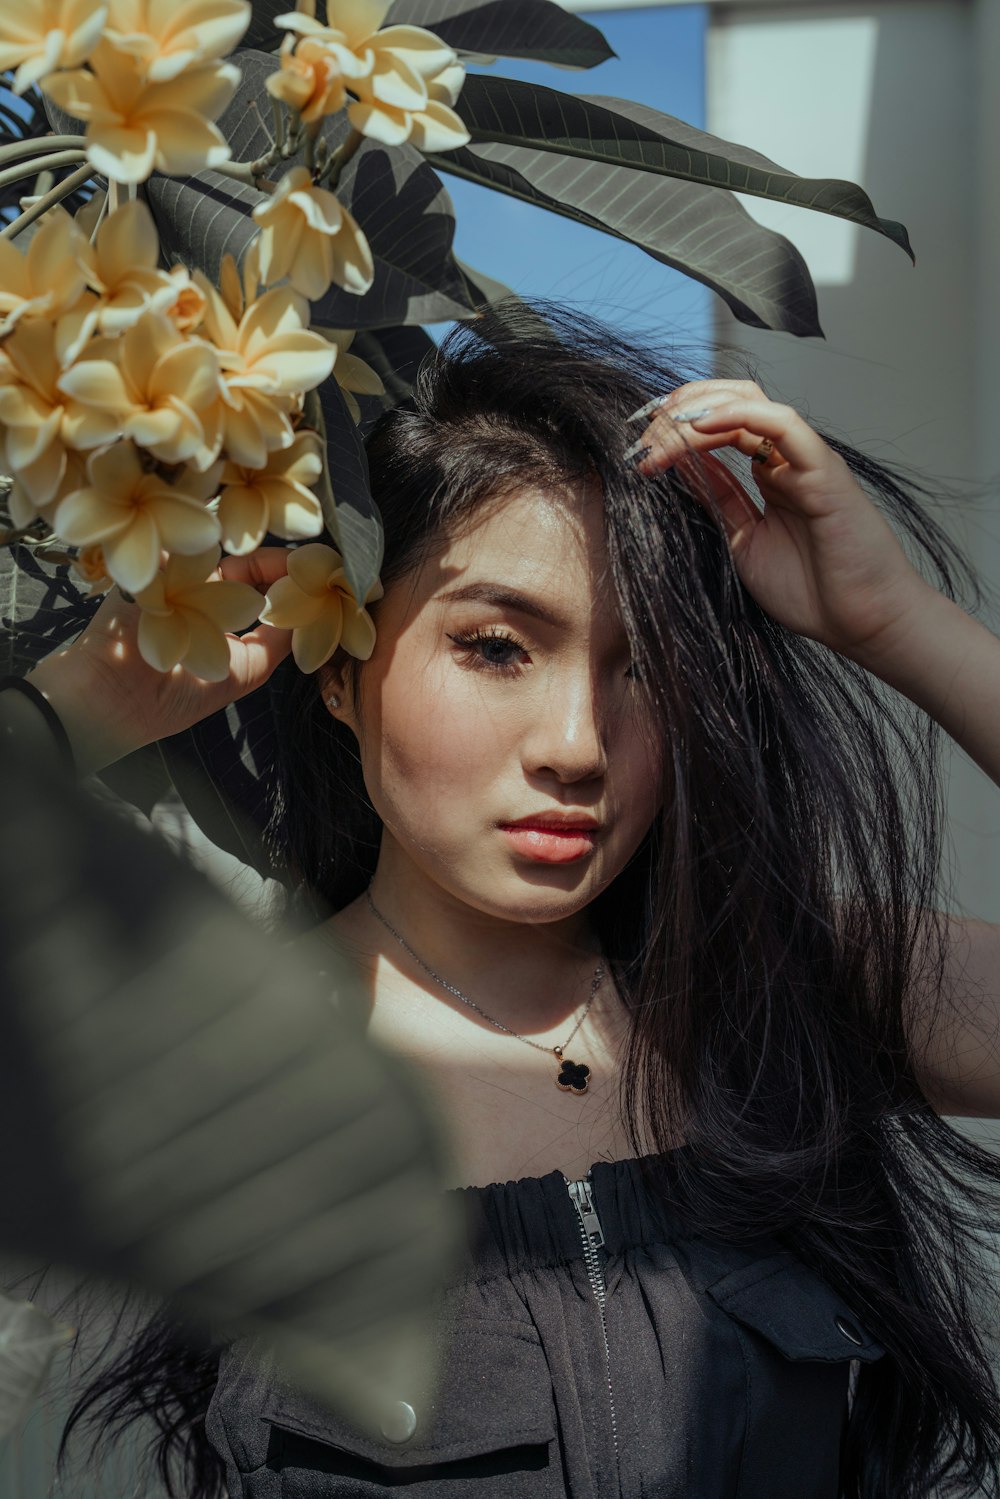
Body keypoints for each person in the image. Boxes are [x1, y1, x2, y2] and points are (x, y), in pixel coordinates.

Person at [10, 304, 1000, 1497]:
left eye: (646, 670)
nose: (578, 743)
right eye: (495, 646)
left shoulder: (783, 986)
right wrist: (75, 710)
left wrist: (898, 624)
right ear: (340, 665)